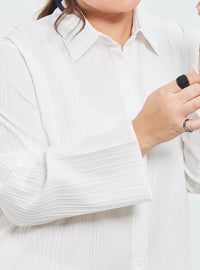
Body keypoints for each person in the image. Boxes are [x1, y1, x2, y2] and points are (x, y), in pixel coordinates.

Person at [0, 0, 200, 269]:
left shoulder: (180, 41)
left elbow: (196, 176)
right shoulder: (20, 52)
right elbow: (17, 195)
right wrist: (142, 135)